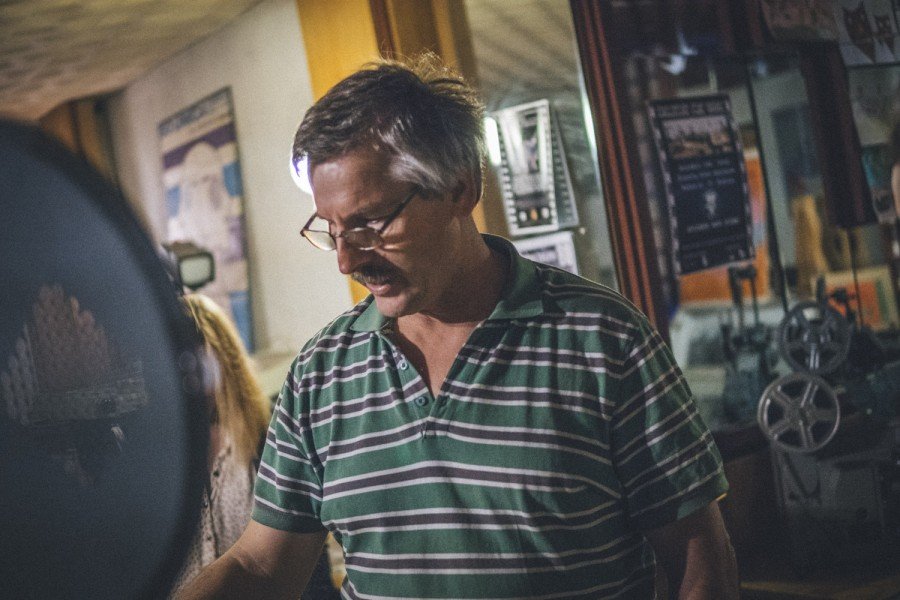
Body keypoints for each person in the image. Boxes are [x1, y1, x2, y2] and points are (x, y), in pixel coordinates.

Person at [178, 54, 738, 599]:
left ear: (460, 188)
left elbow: (700, 563)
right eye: (332, 229)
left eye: (371, 223)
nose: (347, 261)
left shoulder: (604, 339)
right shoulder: (320, 372)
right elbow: (259, 565)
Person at [173, 293, 337, 599]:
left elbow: (309, 570)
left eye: (197, 367)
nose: (189, 384)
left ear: (223, 361)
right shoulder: (151, 461)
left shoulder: (271, 436)